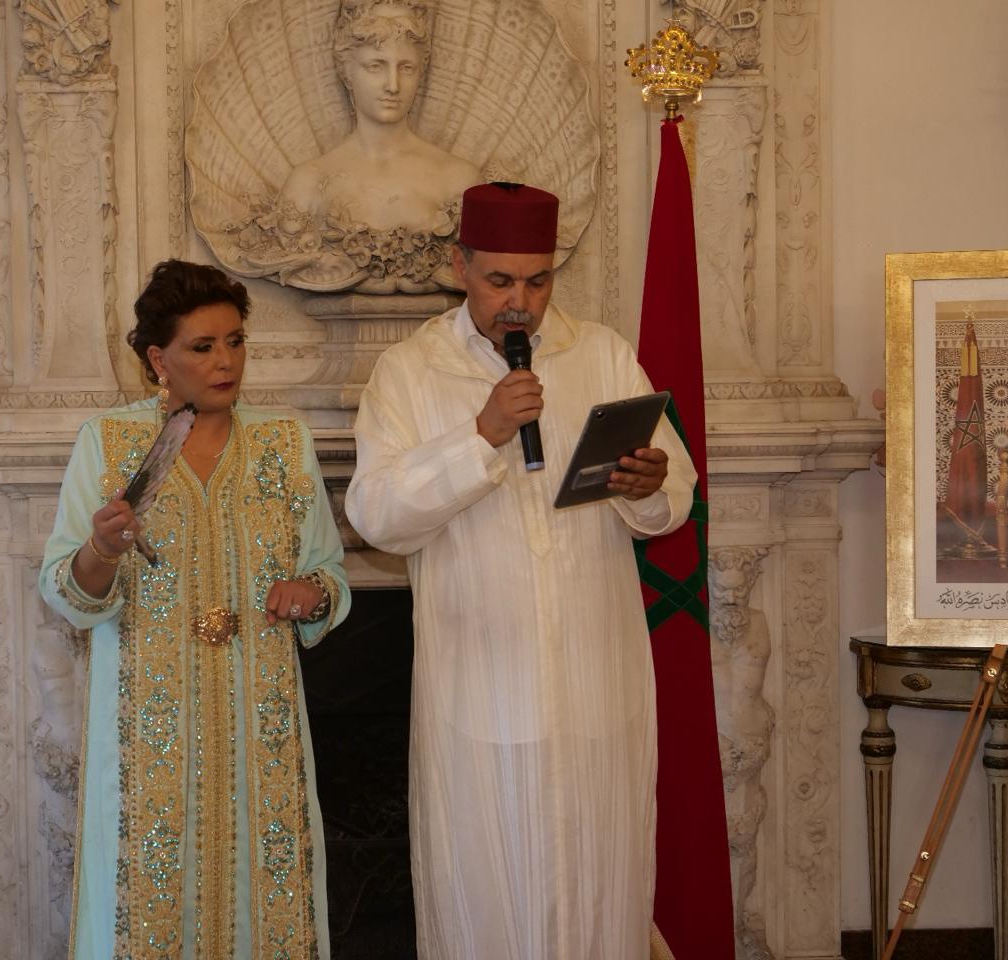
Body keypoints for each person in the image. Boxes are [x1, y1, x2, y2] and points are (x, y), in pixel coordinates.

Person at [344, 182, 697, 959]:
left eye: (538, 281)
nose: (521, 303)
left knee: (601, 884)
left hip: (595, 686)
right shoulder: (410, 371)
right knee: (486, 890)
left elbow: (672, 502)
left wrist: (647, 485)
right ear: (460, 267)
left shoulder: (601, 354)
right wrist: (482, 434)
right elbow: (375, 517)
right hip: (481, 693)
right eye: (500, 280)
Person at [39, 259, 351, 959]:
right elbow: (65, 588)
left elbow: (329, 572)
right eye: (203, 347)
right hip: (146, 730)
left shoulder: (285, 442)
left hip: (262, 722)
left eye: (235, 342)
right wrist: (102, 549)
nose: (225, 362)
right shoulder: (109, 444)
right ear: (159, 359)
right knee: (145, 903)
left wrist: (311, 593)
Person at [278, 0, 480, 235]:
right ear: (347, 71)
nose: (393, 86)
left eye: (406, 68)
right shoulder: (308, 184)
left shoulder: (459, 180)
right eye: (375, 66)